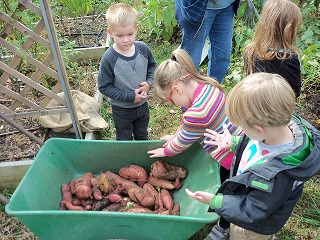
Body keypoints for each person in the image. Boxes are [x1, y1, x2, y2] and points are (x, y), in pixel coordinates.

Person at [186, 72, 320, 240]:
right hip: (245, 199)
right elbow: (254, 144)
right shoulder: (277, 127)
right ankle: (227, 228)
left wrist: (217, 202)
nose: (241, 129)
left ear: (258, 129)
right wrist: (234, 142)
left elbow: (253, 209)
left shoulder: (277, 177)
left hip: (252, 226)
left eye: (242, 126)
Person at [147, 48, 242, 186]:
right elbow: (186, 127)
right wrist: (175, 135)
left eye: (171, 101)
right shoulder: (208, 87)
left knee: (231, 184)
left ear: (177, 90)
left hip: (232, 157)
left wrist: (166, 151)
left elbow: (183, 141)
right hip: (239, 140)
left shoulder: (198, 113)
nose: (174, 104)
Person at [98, 3, 156, 140]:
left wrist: (149, 83)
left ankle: (141, 158)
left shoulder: (143, 49)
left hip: (142, 106)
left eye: (130, 34)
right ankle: (127, 160)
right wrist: (130, 97)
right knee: (124, 138)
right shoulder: (109, 58)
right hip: (121, 110)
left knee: (142, 135)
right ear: (110, 33)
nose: (126, 40)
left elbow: (153, 67)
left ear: (136, 28)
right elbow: (104, 86)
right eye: (119, 36)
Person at [243, 0, 302, 98]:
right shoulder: (290, 59)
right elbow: (295, 92)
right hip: (278, 110)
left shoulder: (250, 51)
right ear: (289, 28)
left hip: (254, 107)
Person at [174, 0, 242, 83]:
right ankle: (186, 92)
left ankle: (212, 91)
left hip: (226, 6)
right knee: (191, 60)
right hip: (198, 8)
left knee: (222, 57)